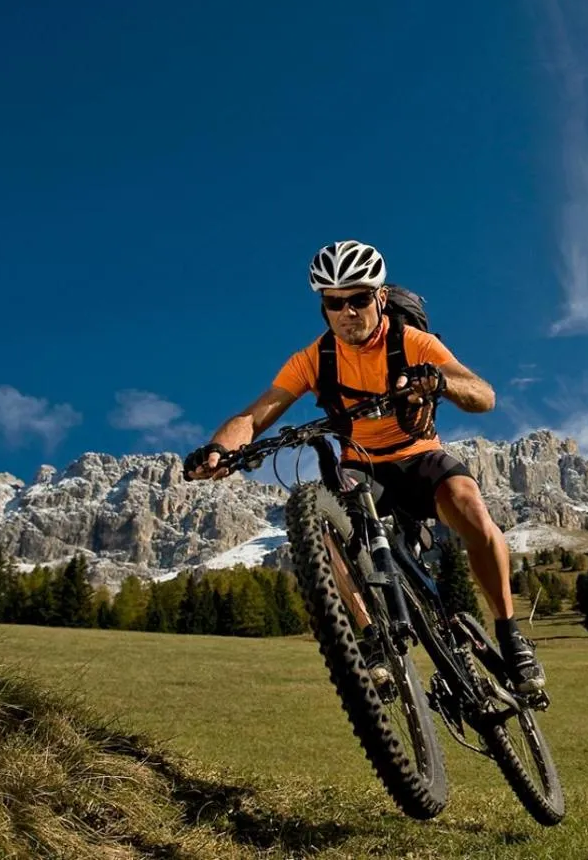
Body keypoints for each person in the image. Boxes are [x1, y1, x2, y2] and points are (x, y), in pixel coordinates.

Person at [183, 240, 545, 692]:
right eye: (335, 303)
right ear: (324, 309)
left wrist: (438, 380)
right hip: (362, 466)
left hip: (418, 456)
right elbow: (254, 416)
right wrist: (219, 450)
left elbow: (483, 396)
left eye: (357, 299)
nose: (348, 312)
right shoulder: (314, 359)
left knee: (467, 504)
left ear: (377, 297)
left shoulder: (410, 340)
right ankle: (374, 635)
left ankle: (510, 635)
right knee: (326, 525)